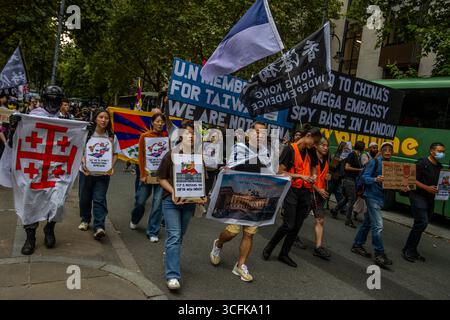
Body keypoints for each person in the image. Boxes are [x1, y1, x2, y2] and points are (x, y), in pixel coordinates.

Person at [210, 121, 274, 282]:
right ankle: (218, 244)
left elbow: (271, 173)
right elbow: (231, 169)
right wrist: (227, 170)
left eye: (263, 132)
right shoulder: (240, 149)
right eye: (257, 131)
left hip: (256, 197)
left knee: (249, 233)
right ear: (250, 133)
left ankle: (240, 265)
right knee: (232, 231)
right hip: (237, 195)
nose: (260, 135)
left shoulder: (267, 153)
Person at [9, 85, 68, 255]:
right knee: (30, 201)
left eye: (56, 100)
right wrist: (14, 129)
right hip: (33, 170)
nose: (53, 103)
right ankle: (30, 237)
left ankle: (49, 228)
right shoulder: (31, 118)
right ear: (44, 99)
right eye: (50, 99)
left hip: (55, 170)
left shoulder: (66, 121)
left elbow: (74, 147)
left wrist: (86, 133)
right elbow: (15, 145)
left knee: (57, 202)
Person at [262, 124, 321, 268]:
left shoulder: (311, 151)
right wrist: (301, 176)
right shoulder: (289, 150)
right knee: (288, 224)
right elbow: (280, 172)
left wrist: (313, 175)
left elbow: (314, 166)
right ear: (308, 136)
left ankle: (284, 254)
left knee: (297, 226)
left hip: (305, 192)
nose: (316, 145)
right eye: (315, 141)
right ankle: (269, 247)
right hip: (291, 190)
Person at [158, 121, 207, 290]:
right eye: (188, 133)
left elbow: (200, 181)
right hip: (171, 202)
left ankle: (170, 254)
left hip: (189, 204)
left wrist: (201, 196)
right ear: (180, 135)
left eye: (194, 134)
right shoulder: (170, 155)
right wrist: (173, 191)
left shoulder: (198, 157)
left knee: (179, 236)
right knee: (174, 235)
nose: (191, 136)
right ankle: (172, 275)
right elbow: (161, 178)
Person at [351, 142, 395, 268]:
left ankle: (357, 245)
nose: (387, 152)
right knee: (378, 225)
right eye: (385, 149)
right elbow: (365, 177)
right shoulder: (374, 162)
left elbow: (391, 183)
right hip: (372, 196)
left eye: (390, 150)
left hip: (381, 198)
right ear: (381, 151)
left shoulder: (390, 165)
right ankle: (379, 254)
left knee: (368, 223)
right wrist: (375, 179)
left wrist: (401, 187)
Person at [78, 109, 119, 239]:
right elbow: (79, 151)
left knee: (99, 199)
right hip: (86, 173)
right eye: (101, 117)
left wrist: (110, 167)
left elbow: (115, 154)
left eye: (106, 118)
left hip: (102, 175)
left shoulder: (111, 137)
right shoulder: (87, 133)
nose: (103, 120)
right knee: (84, 197)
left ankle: (99, 226)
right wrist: (83, 162)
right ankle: (85, 219)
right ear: (95, 118)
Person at [402, 142, 446, 262]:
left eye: (443, 151)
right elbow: (411, 178)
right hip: (417, 196)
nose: (442, 154)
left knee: (421, 224)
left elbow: (442, 183)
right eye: (440, 151)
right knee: (422, 222)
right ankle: (409, 251)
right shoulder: (422, 163)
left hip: (430, 199)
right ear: (432, 151)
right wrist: (427, 187)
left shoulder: (439, 166)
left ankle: (410, 248)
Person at [129, 113, 168, 242]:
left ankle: (152, 231)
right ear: (152, 123)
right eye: (157, 121)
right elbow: (140, 157)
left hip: (161, 177)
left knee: (158, 204)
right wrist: (142, 175)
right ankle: (135, 218)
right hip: (147, 175)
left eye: (162, 122)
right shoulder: (144, 136)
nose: (160, 124)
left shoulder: (166, 137)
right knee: (140, 201)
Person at [331, 141, 365, 227]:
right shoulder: (352, 155)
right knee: (352, 199)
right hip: (348, 180)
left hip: (352, 180)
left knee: (347, 198)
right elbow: (347, 167)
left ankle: (335, 209)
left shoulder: (357, 156)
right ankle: (348, 220)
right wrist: (359, 170)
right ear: (362, 148)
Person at [311, 137, 331, 260]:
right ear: (316, 146)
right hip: (309, 192)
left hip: (320, 195)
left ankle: (318, 247)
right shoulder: (311, 160)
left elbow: (322, 177)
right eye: (322, 145)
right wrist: (318, 189)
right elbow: (308, 177)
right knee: (298, 219)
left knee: (320, 220)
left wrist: (328, 177)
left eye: (326, 145)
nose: (325, 147)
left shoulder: (326, 161)